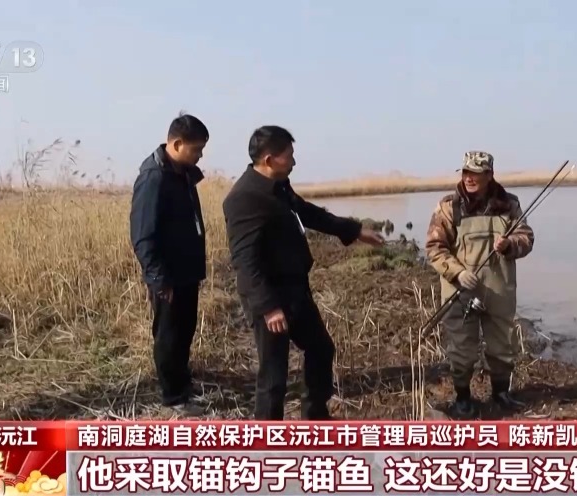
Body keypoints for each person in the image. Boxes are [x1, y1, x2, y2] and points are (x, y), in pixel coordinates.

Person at [223, 125, 385, 420]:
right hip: (271, 297)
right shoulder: (244, 198)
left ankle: (315, 417)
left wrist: (354, 230)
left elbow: (309, 214)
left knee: (321, 349)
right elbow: (245, 261)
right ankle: (266, 439)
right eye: (289, 156)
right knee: (274, 375)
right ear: (269, 159)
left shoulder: (279, 186)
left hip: (296, 290)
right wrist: (269, 307)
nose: (294, 162)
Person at [424, 150, 535, 419]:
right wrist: (458, 273)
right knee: (461, 350)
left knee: (503, 345)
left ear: (489, 175)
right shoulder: (449, 206)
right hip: (460, 291)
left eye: (475, 173)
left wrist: (510, 245)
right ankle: (463, 399)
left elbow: (526, 238)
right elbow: (435, 248)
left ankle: (501, 394)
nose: (469, 178)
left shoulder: (509, 204)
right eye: (466, 172)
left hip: (499, 290)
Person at [129, 112, 210, 415]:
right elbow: (142, 236)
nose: (200, 155)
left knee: (184, 330)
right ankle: (174, 397)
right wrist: (159, 279)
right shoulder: (154, 178)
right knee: (169, 335)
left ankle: (183, 384)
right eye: (196, 149)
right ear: (176, 144)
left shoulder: (182, 173)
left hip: (186, 271)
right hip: (168, 276)